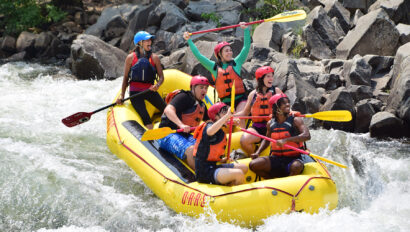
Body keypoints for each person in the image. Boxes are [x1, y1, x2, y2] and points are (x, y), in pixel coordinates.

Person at [183, 23, 251, 127]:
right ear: (220, 54)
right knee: (225, 124)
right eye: (226, 51)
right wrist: (189, 40)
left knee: (239, 118)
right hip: (225, 103)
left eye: (230, 50)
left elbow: (246, 47)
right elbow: (199, 56)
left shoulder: (236, 63)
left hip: (241, 99)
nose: (230, 53)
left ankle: (242, 135)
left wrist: (246, 30)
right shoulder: (214, 67)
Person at [249, 93, 311, 179]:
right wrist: (258, 152)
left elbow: (307, 135)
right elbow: (267, 140)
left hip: (294, 158)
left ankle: (288, 182)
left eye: (288, 102)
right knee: (253, 164)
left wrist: (286, 140)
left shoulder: (295, 120)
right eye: (283, 103)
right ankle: (271, 181)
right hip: (276, 158)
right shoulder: (270, 123)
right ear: (276, 107)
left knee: (296, 166)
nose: (288, 104)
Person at [157, 75, 210, 170]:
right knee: (191, 150)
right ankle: (201, 177)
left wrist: (226, 120)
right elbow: (168, 110)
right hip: (167, 134)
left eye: (206, 88)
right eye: (201, 87)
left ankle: (210, 170)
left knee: (206, 147)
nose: (204, 91)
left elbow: (210, 122)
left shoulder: (202, 105)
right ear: (193, 87)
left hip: (184, 135)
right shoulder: (184, 97)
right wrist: (181, 125)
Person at [116, 31, 166, 129]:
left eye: (150, 40)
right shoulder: (130, 58)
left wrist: (157, 85)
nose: (150, 42)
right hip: (135, 93)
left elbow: (161, 77)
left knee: (167, 110)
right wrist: (122, 95)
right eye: (147, 40)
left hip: (149, 90)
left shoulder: (154, 58)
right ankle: (151, 139)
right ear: (139, 43)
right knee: (146, 118)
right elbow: (126, 77)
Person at [193, 102, 248, 185]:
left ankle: (229, 187)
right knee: (238, 174)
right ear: (216, 116)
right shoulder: (209, 126)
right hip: (205, 172)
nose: (227, 115)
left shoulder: (220, 130)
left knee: (244, 168)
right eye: (224, 112)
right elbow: (210, 131)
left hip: (213, 166)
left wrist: (222, 160)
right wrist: (227, 116)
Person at [235, 66, 283, 155]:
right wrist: (231, 116)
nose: (271, 78)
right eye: (268, 76)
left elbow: (287, 108)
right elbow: (245, 113)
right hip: (257, 128)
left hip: (273, 127)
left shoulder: (277, 91)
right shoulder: (253, 94)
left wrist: (292, 112)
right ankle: (255, 155)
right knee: (244, 140)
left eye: (272, 76)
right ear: (261, 79)